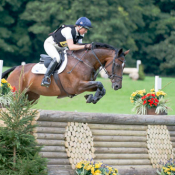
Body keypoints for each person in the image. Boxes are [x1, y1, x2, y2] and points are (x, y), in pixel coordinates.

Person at [41, 17, 92, 87]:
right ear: (79, 27)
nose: (86, 31)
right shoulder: (68, 30)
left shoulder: (81, 34)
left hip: (61, 47)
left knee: (71, 58)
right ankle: (45, 78)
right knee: (57, 59)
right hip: (50, 44)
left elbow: (78, 46)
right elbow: (71, 47)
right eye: (85, 29)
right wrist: (85, 46)